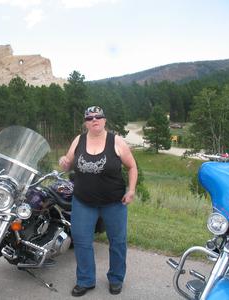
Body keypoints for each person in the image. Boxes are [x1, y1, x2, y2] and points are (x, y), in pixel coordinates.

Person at [59, 106, 138, 297]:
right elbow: (68, 162)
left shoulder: (116, 141)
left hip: (114, 203)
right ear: (86, 122)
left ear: (104, 120)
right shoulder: (79, 140)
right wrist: (64, 160)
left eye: (98, 117)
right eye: (90, 118)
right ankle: (86, 280)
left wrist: (132, 190)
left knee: (117, 242)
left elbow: (132, 166)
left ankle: (116, 279)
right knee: (82, 241)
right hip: (83, 202)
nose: (94, 120)